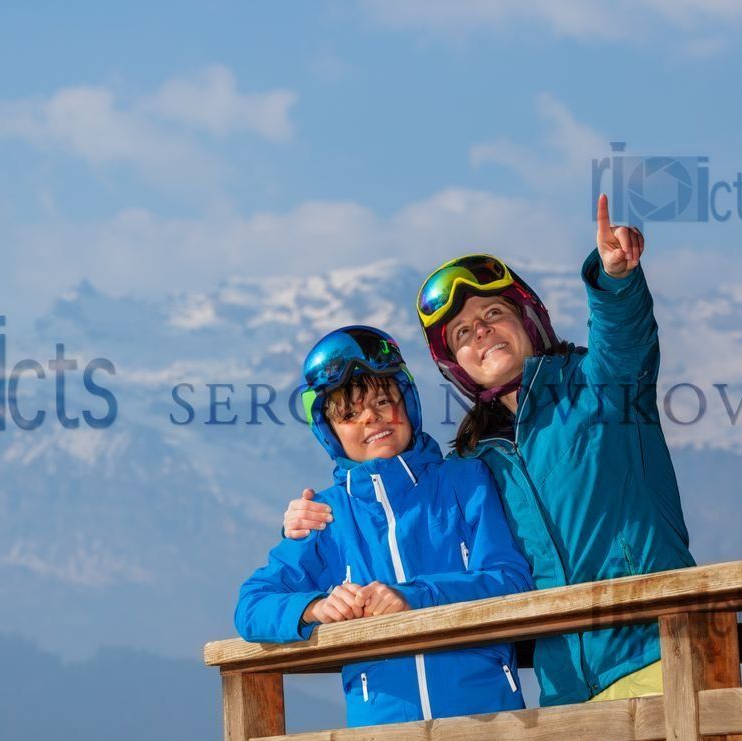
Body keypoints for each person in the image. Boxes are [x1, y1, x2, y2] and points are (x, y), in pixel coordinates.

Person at [281, 196, 696, 706]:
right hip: (566, 689)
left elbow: (624, 335)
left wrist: (616, 280)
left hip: (660, 653)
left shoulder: (602, 390)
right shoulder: (477, 464)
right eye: (463, 332)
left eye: (493, 313)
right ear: (457, 365)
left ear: (528, 321)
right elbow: (408, 504)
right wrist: (307, 517)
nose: (481, 331)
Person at [234, 326, 533, 727]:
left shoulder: (465, 483)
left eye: (382, 401)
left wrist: (415, 597)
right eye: (349, 414)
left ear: (407, 404)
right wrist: (314, 607)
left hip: (490, 722)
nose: (371, 417)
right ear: (331, 434)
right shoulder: (327, 516)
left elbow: (511, 580)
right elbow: (252, 605)